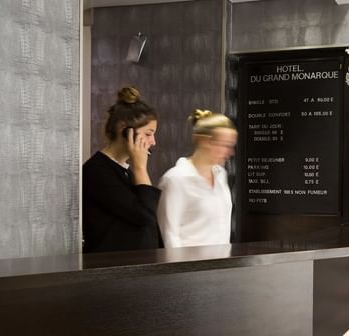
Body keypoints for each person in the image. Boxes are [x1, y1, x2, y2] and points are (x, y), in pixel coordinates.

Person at [82, 86, 161, 253]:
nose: (153, 142)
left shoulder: (125, 172)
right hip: (112, 272)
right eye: (148, 134)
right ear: (125, 131)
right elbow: (144, 216)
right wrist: (140, 167)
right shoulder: (97, 171)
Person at [157, 109, 237, 248]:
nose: (230, 152)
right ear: (204, 141)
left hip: (221, 266)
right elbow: (170, 236)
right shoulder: (175, 179)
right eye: (225, 145)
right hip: (191, 267)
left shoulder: (220, 175)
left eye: (231, 145)